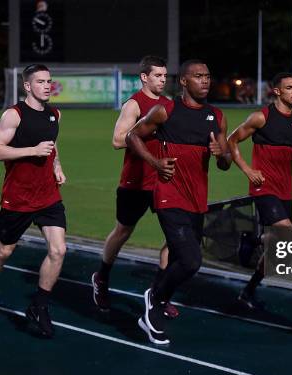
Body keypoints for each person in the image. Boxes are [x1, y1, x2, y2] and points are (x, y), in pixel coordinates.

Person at [126, 59, 231, 344]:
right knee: (191, 260)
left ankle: (156, 299)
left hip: (197, 200)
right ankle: (155, 298)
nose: (205, 81)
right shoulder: (166, 110)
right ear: (184, 81)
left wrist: (221, 153)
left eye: (208, 76)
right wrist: (154, 162)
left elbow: (225, 163)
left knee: (180, 257)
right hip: (169, 195)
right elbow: (132, 135)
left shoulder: (216, 115)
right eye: (198, 76)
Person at [0, 64, 67, 338]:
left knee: (59, 250)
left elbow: (52, 144)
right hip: (18, 198)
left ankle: (39, 305)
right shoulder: (13, 115)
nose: (46, 86)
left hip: (48, 196)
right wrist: (33, 151)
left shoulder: (55, 114)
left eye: (49, 81)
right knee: (3, 252)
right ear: (27, 86)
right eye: (40, 81)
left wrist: (57, 166)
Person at [91, 56, 177, 318]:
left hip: (164, 180)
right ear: (144, 77)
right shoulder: (134, 104)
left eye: (165, 76)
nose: (163, 80)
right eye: (158, 76)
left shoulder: (170, 104)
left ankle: (159, 295)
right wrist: (149, 126)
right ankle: (101, 277)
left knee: (175, 236)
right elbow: (118, 140)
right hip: (135, 182)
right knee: (123, 231)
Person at [227, 72, 292, 309]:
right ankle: (257, 241)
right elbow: (231, 140)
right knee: (289, 236)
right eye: (289, 88)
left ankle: (248, 288)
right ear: (277, 91)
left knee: (278, 250)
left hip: (286, 191)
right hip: (263, 187)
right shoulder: (260, 117)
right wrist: (247, 170)